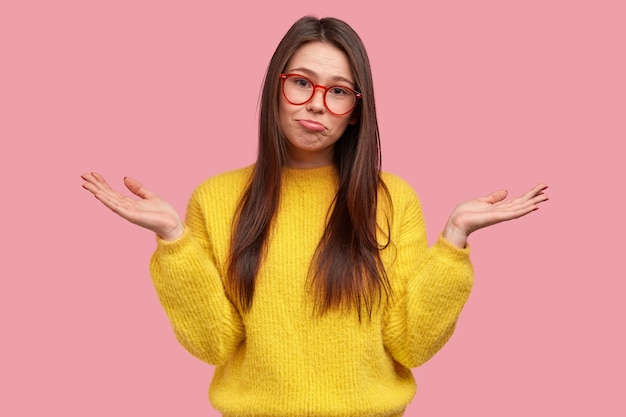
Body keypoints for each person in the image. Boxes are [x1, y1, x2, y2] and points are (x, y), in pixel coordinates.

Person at [81, 15, 548, 417]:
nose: (317, 103)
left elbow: (412, 345)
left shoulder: (392, 199)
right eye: (302, 82)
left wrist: (454, 242)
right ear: (276, 87)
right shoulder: (216, 198)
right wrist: (173, 239)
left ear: (356, 112)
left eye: (339, 91)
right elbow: (213, 346)